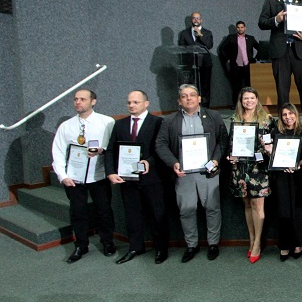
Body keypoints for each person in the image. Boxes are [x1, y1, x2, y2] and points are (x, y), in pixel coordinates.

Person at [155, 84, 229, 263]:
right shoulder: (169, 120)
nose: (189, 98)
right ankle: (192, 245)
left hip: (208, 172)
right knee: (187, 210)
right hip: (184, 174)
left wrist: (216, 160)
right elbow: (160, 145)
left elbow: (222, 139)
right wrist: (173, 163)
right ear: (179, 100)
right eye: (184, 96)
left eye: (192, 95)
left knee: (212, 209)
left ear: (199, 98)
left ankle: (213, 243)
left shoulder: (213, 116)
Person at [51, 88, 115, 263]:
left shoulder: (107, 122)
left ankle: (107, 242)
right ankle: (81, 245)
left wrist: (103, 150)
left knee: (104, 210)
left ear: (93, 101)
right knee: (77, 212)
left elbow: (114, 147)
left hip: (98, 175)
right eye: (75, 99)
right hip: (74, 178)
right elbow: (58, 152)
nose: (78, 102)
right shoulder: (66, 126)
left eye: (82, 99)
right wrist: (63, 176)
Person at [105, 90, 169, 265]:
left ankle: (161, 248)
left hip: (152, 179)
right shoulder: (120, 125)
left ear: (146, 103)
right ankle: (135, 247)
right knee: (132, 215)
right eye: (129, 103)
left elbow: (163, 149)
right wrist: (110, 172)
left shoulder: (158, 123)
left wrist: (149, 161)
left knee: (158, 215)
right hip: (127, 179)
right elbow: (111, 150)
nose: (132, 105)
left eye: (136, 102)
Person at [258, 0, 302, 124]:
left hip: (301, 51)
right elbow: (262, 23)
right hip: (280, 52)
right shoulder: (271, 1)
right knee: (282, 91)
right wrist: (276, 19)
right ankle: (284, 124)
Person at [226, 87, 272, 264]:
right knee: (246, 204)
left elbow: (270, 143)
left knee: (257, 204)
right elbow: (230, 142)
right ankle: (251, 239)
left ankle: (258, 243)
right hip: (240, 168)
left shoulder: (266, 119)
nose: (249, 101)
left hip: (258, 169)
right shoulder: (234, 119)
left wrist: (269, 150)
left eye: (252, 98)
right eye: (246, 98)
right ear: (241, 100)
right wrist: (230, 155)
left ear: (257, 99)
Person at [268, 103, 302, 261]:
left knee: (299, 211)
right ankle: (284, 245)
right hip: (281, 176)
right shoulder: (275, 132)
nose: (288, 117)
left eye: (291, 114)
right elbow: (270, 155)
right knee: (283, 211)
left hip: (299, 175)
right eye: (284, 115)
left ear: (296, 114)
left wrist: (300, 163)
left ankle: (299, 244)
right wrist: (269, 153)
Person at [219, 21, 260, 107]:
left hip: (247, 66)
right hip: (235, 66)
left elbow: (260, 48)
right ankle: (236, 104)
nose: (240, 29)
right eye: (238, 27)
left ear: (245, 28)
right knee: (236, 86)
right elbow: (222, 49)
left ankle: (251, 104)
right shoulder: (231, 38)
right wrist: (227, 58)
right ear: (236, 28)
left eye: (242, 27)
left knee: (249, 86)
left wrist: (255, 59)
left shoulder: (251, 38)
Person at [178, 11, 214, 106]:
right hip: (190, 64)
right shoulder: (184, 33)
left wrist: (200, 34)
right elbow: (181, 47)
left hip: (205, 63)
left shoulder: (207, 33)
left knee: (205, 86)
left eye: (198, 18)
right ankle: (192, 106)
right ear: (191, 20)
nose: (196, 20)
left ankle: (205, 108)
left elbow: (209, 45)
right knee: (191, 86)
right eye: (194, 18)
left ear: (201, 20)